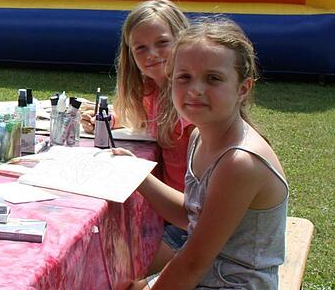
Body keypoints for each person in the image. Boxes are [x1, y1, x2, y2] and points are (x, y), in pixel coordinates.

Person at [121, 19, 288, 289]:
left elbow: (192, 264)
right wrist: (139, 175)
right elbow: (192, 216)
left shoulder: (239, 162)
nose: (195, 89)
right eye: (184, 77)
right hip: (208, 275)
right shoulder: (199, 136)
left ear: (243, 88)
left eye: (213, 78)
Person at [82, 0, 193, 272]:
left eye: (162, 42)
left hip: (192, 221)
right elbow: (139, 116)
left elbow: (205, 209)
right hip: (171, 211)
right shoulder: (153, 90)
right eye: (140, 48)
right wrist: (109, 120)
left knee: (125, 272)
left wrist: (136, 171)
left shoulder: (192, 103)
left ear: (183, 40)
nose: (151, 54)